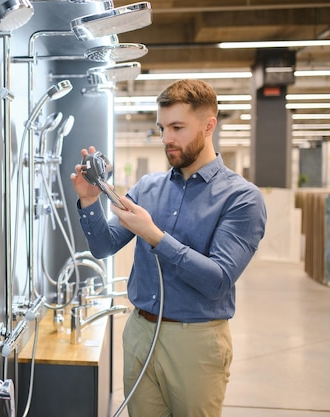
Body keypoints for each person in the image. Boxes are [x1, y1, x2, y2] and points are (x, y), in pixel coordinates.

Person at [70, 79, 267, 417]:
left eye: (177, 127)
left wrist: (154, 235)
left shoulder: (242, 198)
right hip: (139, 333)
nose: (166, 139)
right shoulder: (148, 187)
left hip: (196, 342)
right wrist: (89, 204)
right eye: (162, 128)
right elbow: (104, 247)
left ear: (209, 125)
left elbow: (218, 280)